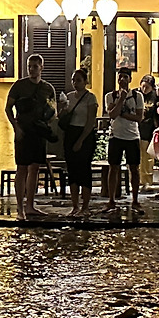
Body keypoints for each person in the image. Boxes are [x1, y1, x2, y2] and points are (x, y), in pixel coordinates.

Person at [6, 54, 58, 220]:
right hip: (23, 130)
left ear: (41, 67)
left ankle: (30, 205)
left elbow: (52, 111)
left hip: (38, 131)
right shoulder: (19, 86)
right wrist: (16, 127)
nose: (32, 69)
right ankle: (20, 208)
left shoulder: (48, 88)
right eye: (30, 66)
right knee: (22, 168)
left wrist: (48, 121)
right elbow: (8, 108)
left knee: (35, 167)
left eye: (35, 66)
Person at [104, 68, 146, 214]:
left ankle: (135, 200)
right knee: (113, 167)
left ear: (130, 79)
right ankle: (111, 200)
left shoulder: (137, 96)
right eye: (120, 76)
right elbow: (112, 115)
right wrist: (121, 99)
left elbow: (139, 117)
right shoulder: (111, 96)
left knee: (134, 168)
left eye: (125, 77)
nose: (122, 79)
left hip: (132, 136)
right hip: (116, 135)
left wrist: (122, 113)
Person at [60, 69, 99, 216]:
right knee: (72, 170)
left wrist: (81, 140)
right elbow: (62, 117)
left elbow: (90, 121)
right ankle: (75, 205)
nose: (75, 83)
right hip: (71, 132)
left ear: (85, 82)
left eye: (78, 80)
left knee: (84, 169)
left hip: (85, 134)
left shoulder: (90, 98)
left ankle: (85, 206)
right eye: (73, 80)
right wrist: (63, 109)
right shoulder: (69, 97)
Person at [137, 73, 159, 186]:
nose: (144, 89)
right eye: (143, 86)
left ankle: (147, 182)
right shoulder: (136, 95)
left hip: (149, 130)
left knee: (148, 157)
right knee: (137, 157)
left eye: (147, 87)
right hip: (137, 130)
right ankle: (137, 181)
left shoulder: (155, 96)